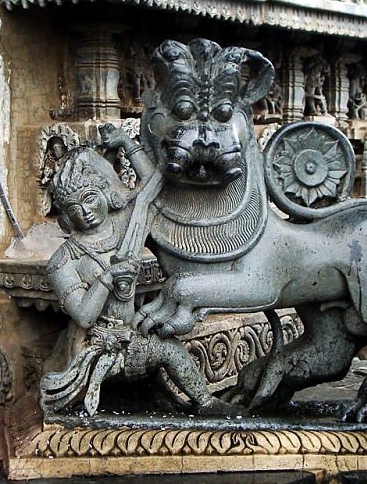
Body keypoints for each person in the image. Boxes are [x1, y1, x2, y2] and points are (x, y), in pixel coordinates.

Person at [40, 146, 235, 416]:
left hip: (132, 332)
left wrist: (128, 145)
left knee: (169, 343)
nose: (85, 211)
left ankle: (205, 403)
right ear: (65, 216)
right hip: (95, 345)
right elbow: (84, 317)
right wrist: (107, 277)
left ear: (105, 194)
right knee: (164, 351)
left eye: (89, 198)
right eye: (74, 207)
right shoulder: (63, 261)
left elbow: (153, 186)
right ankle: (201, 403)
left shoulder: (125, 226)